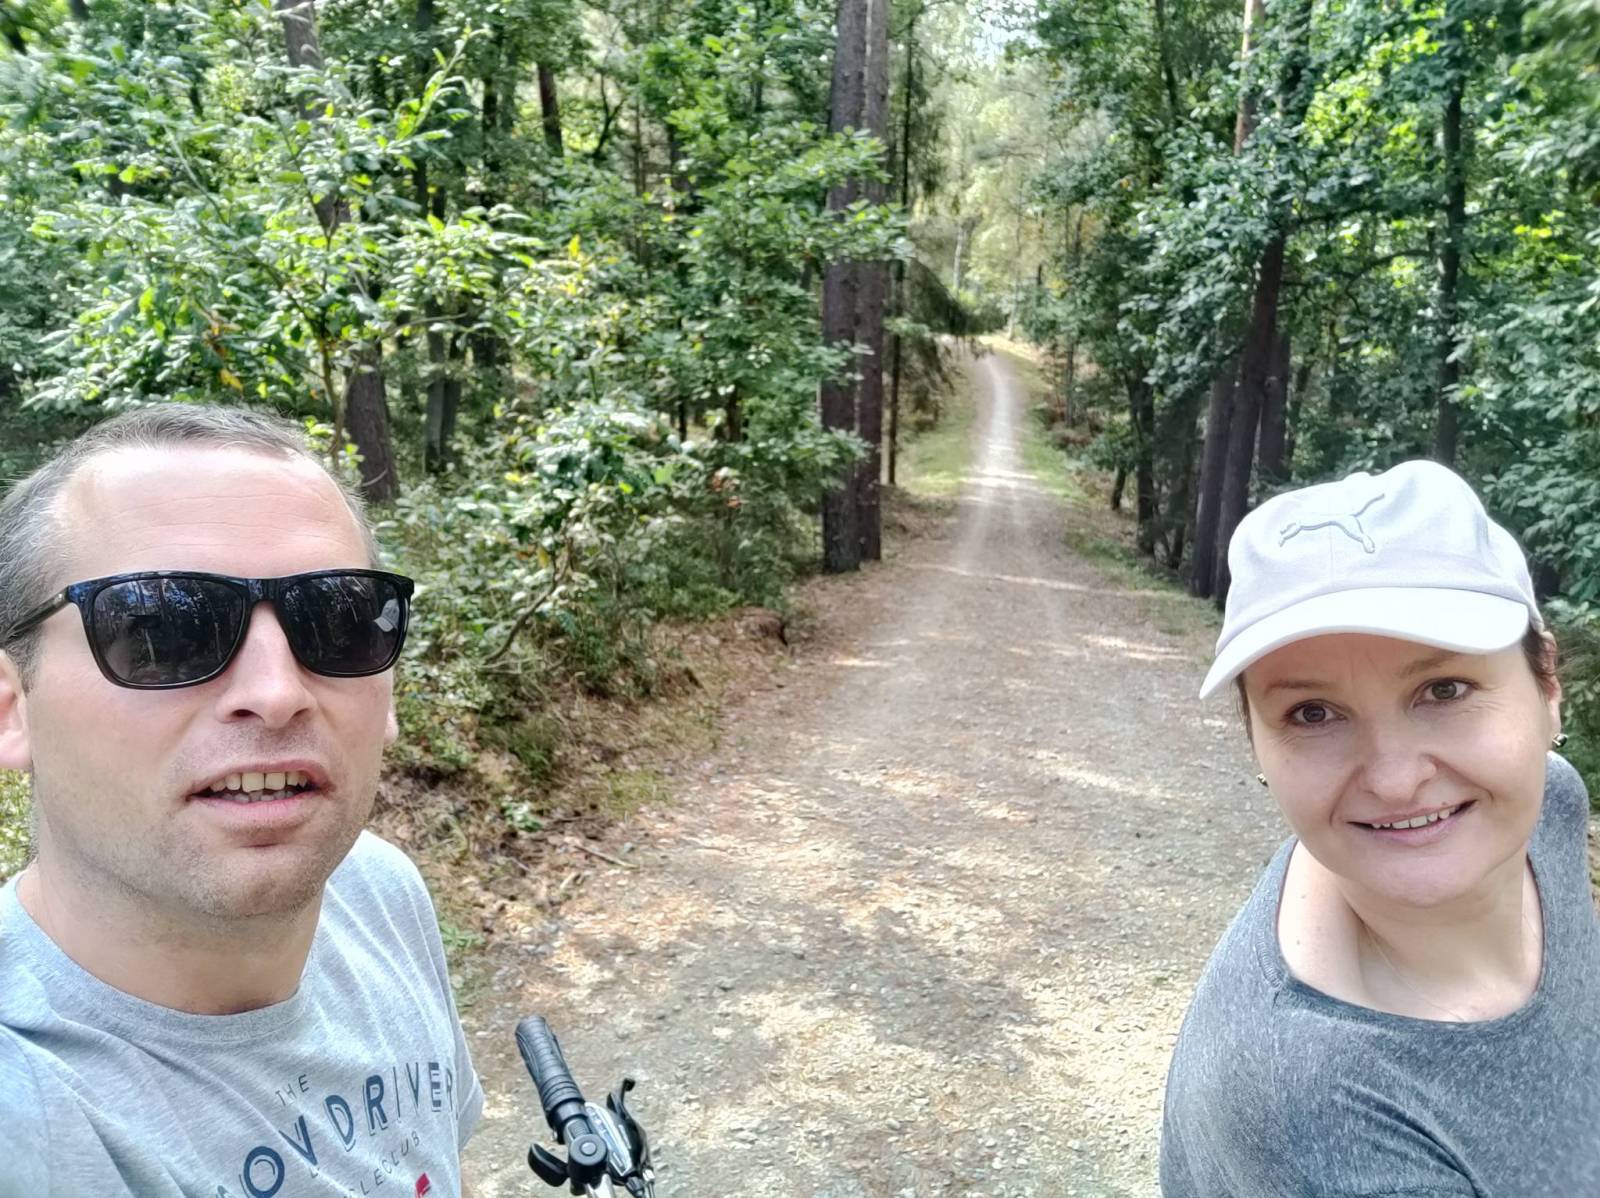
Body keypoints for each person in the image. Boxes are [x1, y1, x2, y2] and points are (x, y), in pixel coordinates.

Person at [0, 406, 485, 1196]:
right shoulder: (29, 1114)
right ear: (11, 708)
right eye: (160, 631)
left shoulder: (378, 892)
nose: (277, 691)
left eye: (338, 620)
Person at [1159, 459, 1600, 1196]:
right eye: (1313, 713)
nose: (1394, 780)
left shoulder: (1547, 806)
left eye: (1444, 689)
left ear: (1546, 686)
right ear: (1257, 744)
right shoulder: (1319, 1121)